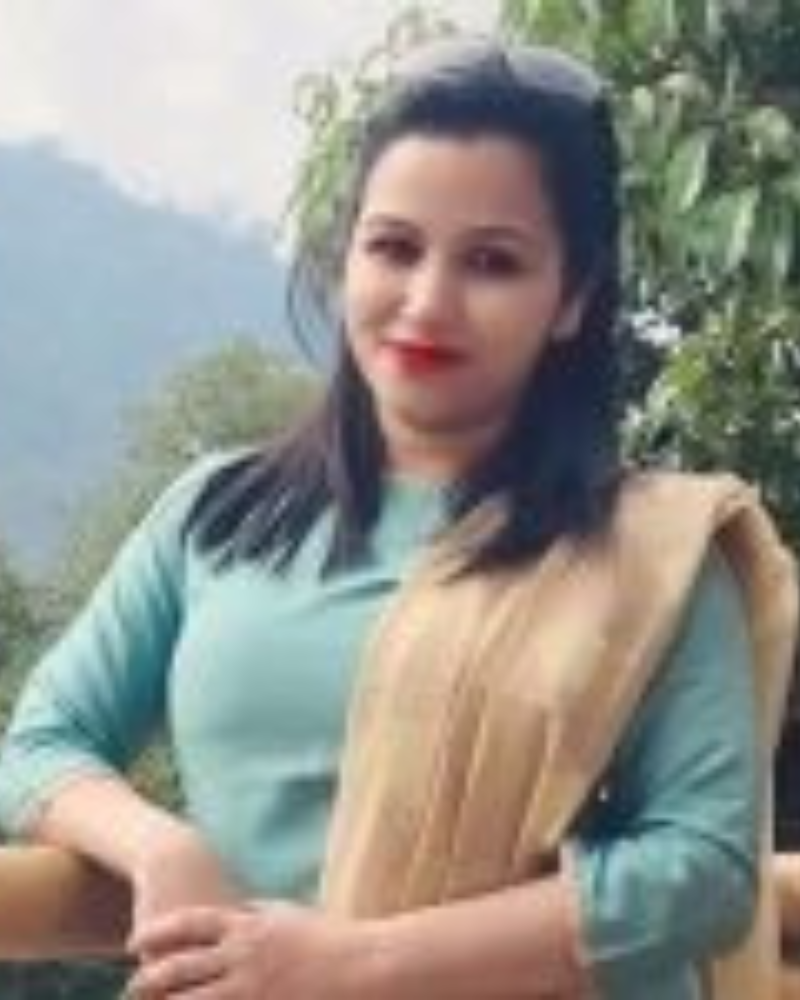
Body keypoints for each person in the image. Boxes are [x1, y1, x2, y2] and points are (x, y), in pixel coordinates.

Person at [0, 35, 796, 1000]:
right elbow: (41, 745)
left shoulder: (651, 557)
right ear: (346, 259)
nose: (428, 302)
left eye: (493, 263)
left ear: (573, 299)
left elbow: (704, 868)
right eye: (394, 247)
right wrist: (159, 847)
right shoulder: (220, 514)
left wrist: (355, 964)